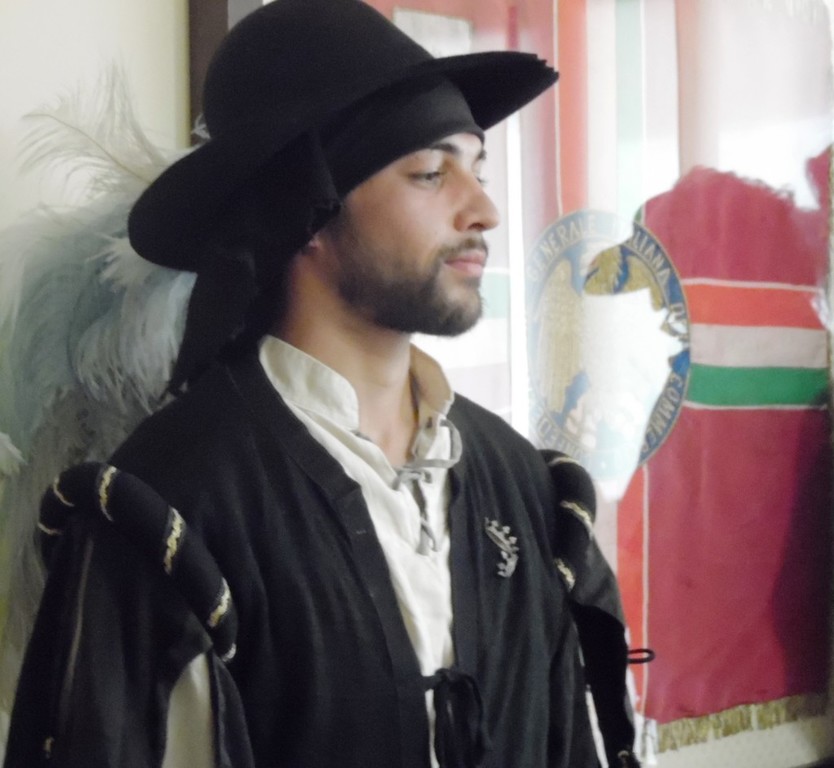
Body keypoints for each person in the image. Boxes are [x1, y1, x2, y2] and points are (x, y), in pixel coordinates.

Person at [3, 0, 607, 766]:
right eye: (431, 173)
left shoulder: (514, 478)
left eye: (478, 169)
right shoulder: (176, 500)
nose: (483, 209)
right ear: (309, 214)